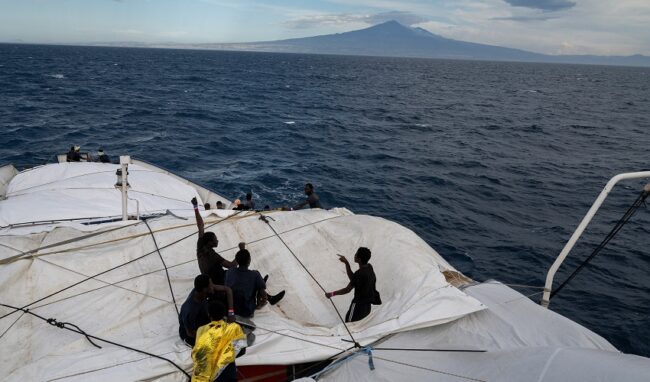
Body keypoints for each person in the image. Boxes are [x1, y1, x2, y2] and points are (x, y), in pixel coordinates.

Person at [191, 300, 247, 382]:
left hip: (210, 376)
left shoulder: (201, 330)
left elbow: (200, 354)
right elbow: (242, 350)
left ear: (208, 314)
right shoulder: (234, 328)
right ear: (224, 314)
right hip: (229, 374)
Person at [225, 248, 285, 318]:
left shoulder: (230, 272)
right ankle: (269, 297)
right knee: (259, 285)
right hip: (246, 311)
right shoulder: (254, 274)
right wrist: (258, 306)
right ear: (249, 261)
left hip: (230, 307)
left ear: (237, 261)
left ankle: (259, 283)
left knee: (248, 281)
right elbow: (263, 297)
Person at [179, 274, 235, 347]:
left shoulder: (201, 292)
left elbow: (228, 290)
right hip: (191, 334)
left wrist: (231, 313)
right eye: (211, 285)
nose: (213, 286)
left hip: (203, 318)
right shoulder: (190, 310)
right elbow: (190, 333)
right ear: (205, 289)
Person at [325, 247, 379, 322]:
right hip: (367, 307)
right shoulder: (369, 268)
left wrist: (332, 294)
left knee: (349, 325)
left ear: (359, 259)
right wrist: (346, 263)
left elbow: (347, 290)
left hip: (358, 307)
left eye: (356, 254)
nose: (354, 255)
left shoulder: (359, 273)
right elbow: (354, 280)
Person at [192, 198, 237, 286]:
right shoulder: (213, 256)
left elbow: (200, 226)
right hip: (219, 281)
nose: (217, 240)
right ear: (210, 243)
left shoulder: (200, 246)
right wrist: (241, 252)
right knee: (244, 274)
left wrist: (195, 208)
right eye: (215, 239)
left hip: (210, 280)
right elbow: (231, 265)